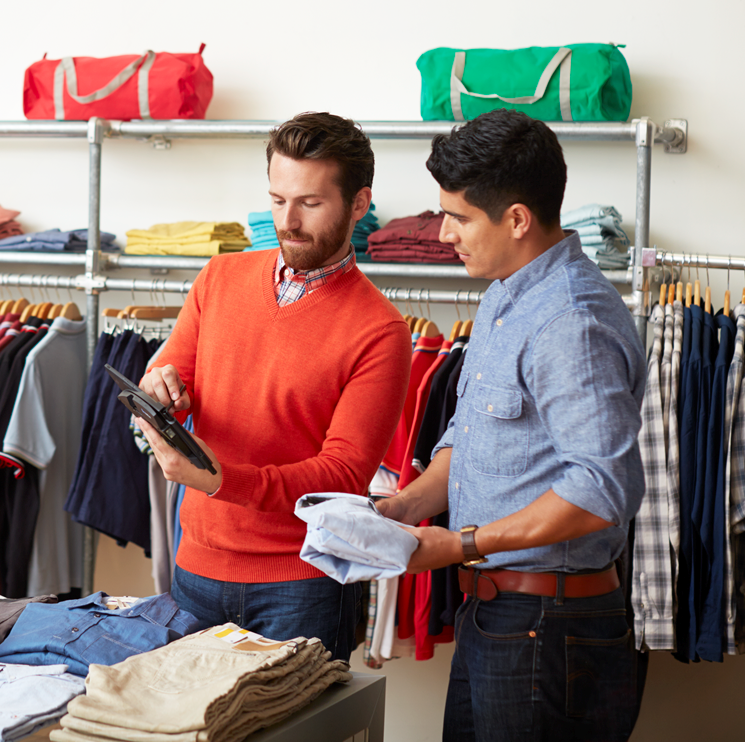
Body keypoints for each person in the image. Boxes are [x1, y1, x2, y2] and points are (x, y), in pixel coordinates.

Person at [376, 108, 646, 741]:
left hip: (551, 625)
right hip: (499, 615)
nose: (444, 234)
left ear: (518, 219)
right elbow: (469, 443)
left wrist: (462, 545)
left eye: (460, 217)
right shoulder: (503, 293)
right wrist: (405, 506)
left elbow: (601, 488)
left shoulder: (571, 323)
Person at [134, 111, 412, 662]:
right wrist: (159, 389)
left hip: (303, 585)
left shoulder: (381, 331)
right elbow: (167, 375)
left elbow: (341, 476)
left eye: (310, 203)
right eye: (277, 199)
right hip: (196, 569)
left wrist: (221, 481)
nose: (288, 220)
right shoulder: (220, 278)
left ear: (359, 204)